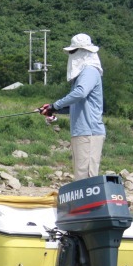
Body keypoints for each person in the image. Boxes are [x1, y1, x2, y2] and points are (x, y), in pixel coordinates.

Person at [38, 33, 105, 181]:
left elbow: (80, 93)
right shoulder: (82, 76)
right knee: (80, 175)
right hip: (81, 131)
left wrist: (55, 105)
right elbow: (75, 104)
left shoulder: (89, 71)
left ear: (84, 52)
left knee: (86, 177)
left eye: (73, 52)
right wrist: (52, 108)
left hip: (89, 132)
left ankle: (89, 204)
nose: (71, 55)